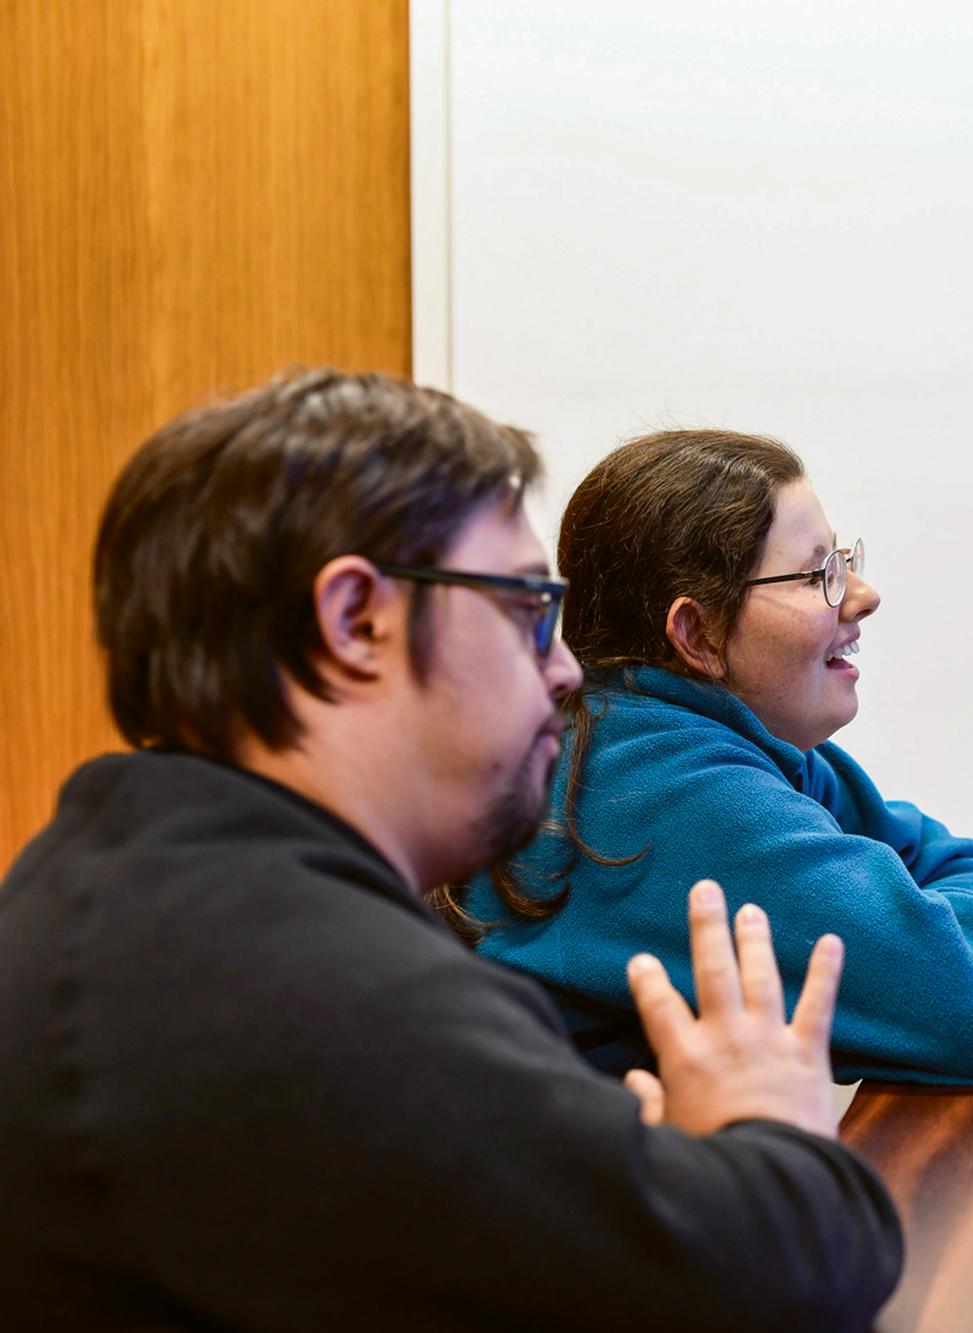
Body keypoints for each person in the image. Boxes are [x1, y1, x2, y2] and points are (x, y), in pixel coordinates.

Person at [0, 372, 902, 1329]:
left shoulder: (115, 877)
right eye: (525, 611)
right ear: (356, 621)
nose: (563, 669)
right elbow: (790, 1269)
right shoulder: (307, 989)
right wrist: (768, 1116)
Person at [454, 430, 973, 1084]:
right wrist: (956, 902)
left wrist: (935, 895)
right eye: (819, 574)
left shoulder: (690, 735)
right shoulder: (667, 794)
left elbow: (912, 852)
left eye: (845, 561)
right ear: (698, 633)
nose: (861, 595)